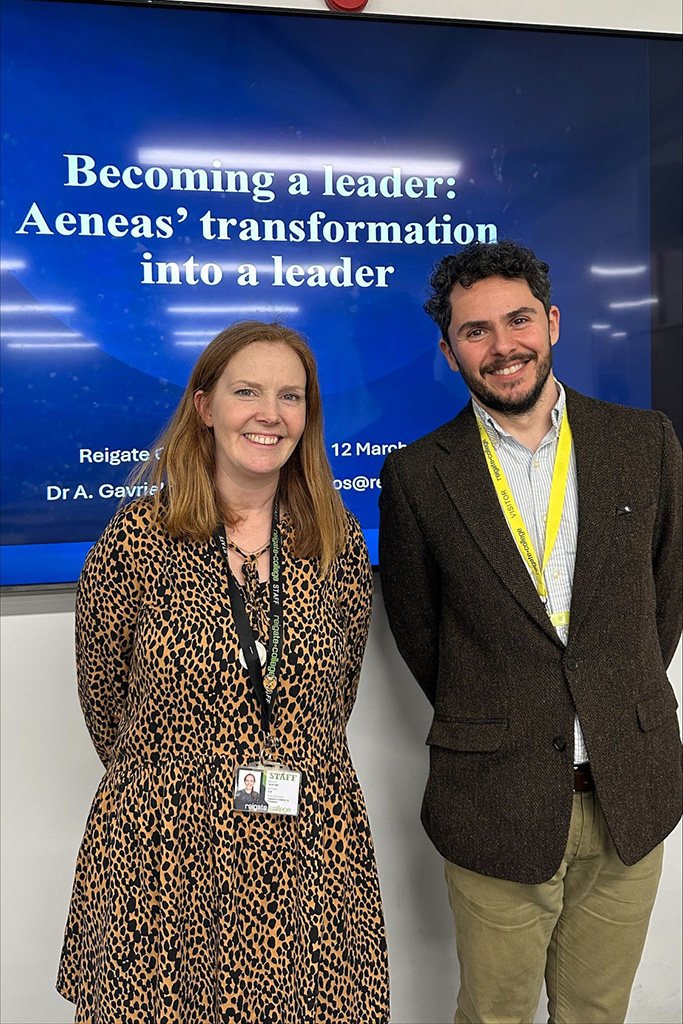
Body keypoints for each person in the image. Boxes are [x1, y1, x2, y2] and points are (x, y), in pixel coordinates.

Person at [379, 240, 682, 1024]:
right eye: (474, 331)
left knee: (596, 1012)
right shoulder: (416, 474)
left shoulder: (642, 442)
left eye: (517, 320)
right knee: (494, 1014)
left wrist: (613, 700)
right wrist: (500, 711)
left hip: (629, 790)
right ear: (448, 352)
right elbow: (421, 635)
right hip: (494, 797)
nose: (502, 346)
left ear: (550, 322)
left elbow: (663, 602)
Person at [57, 320, 389, 1023]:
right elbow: (105, 702)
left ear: (307, 414)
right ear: (206, 407)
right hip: (162, 855)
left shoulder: (335, 540)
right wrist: (186, 783)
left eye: (290, 397)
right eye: (247, 392)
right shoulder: (137, 539)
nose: (270, 414)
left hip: (307, 854)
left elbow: (335, 697)